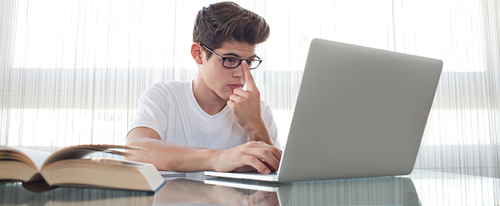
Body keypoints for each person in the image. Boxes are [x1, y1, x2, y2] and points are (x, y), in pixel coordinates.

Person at [126, 1, 281, 175]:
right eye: (230, 60)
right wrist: (218, 159)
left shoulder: (258, 111)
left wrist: (256, 126)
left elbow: (276, 182)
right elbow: (135, 151)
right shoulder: (165, 97)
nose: (242, 74)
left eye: (249, 62)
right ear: (198, 54)